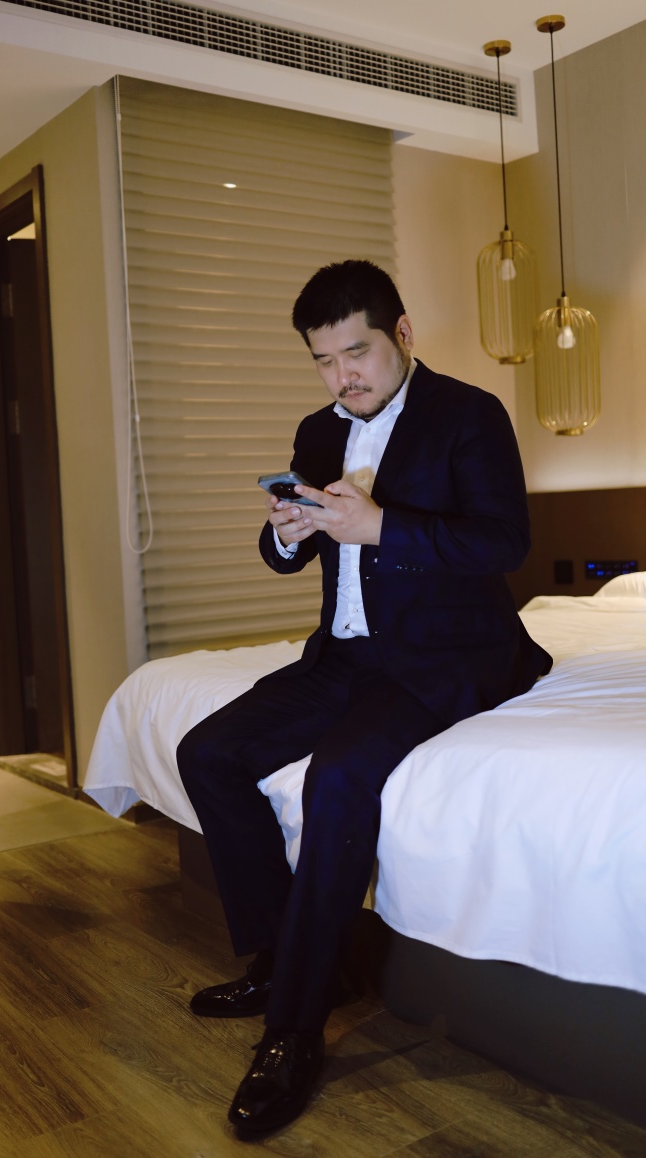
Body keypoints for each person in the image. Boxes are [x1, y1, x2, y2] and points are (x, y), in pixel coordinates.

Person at [176, 259, 552, 1137]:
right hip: (344, 655)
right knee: (209, 753)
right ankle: (289, 959)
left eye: (357, 352)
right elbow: (291, 553)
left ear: (403, 335)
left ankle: (293, 1029)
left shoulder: (469, 415)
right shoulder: (318, 431)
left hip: (441, 654)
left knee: (338, 777)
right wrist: (284, 534)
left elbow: (505, 543)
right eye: (323, 360)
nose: (342, 375)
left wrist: (381, 524)